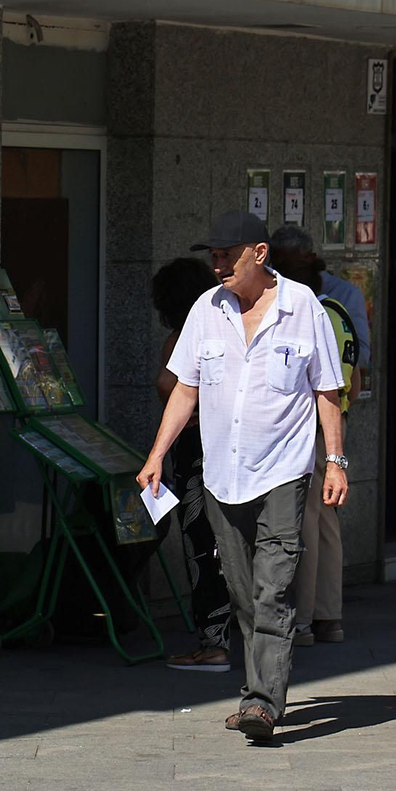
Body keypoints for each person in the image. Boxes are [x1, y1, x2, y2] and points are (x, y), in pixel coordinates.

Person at [136, 212, 348, 741]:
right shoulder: (207, 310)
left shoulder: (305, 309)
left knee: (273, 585)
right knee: (242, 590)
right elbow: (185, 388)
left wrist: (337, 460)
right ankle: (258, 689)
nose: (217, 265)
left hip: (283, 471)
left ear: (258, 252)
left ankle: (263, 703)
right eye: (213, 256)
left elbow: (327, 391)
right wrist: (157, 453)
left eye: (226, 254)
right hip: (221, 475)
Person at [266, 244, 359, 648]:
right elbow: (354, 379)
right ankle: (329, 616)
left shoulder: (305, 316)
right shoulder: (340, 314)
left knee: (302, 521)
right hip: (334, 425)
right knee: (326, 524)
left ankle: (300, 620)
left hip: (303, 428)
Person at [151, 258, 235, 672]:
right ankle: (240, 635)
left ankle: (213, 643)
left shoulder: (185, 336)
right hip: (229, 446)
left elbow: (170, 386)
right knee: (231, 543)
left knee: (200, 543)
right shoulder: (229, 329)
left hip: (196, 451)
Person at [270, 224, 372, 396]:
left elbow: (360, 356)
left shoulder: (345, 295)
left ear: (310, 258)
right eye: (276, 268)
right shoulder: (270, 291)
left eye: (289, 268)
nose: (282, 276)